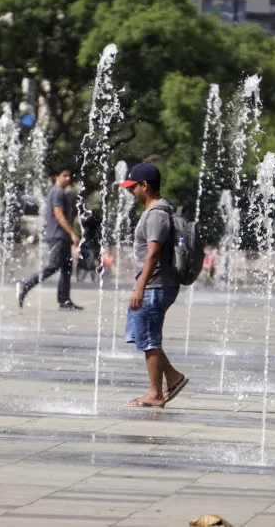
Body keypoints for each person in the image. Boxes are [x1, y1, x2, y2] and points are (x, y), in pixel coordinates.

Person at [120, 162, 188, 408]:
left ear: (145, 186)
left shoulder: (157, 214)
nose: (130, 192)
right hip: (154, 284)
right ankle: (172, 377)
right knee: (141, 334)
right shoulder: (155, 211)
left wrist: (140, 286)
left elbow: (153, 254)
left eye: (133, 187)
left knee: (149, 339)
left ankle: (155, 393)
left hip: (156, 285)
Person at [17, 167, 83, 310]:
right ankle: (26, 284)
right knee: (54, 265)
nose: (68, 178)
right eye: (64, 175)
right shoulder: (57, 192)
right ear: (56, 176)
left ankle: (64, 300)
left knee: (66, 268)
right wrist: (72, 233)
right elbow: (58, 215)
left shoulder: (60, 192)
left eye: (69, 176)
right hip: (58, 235)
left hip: (61, 236)